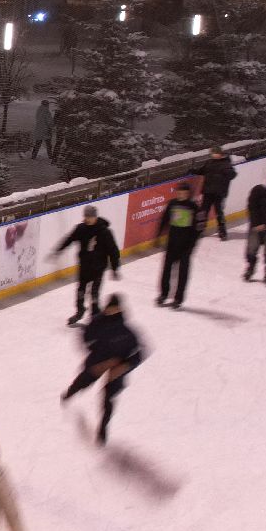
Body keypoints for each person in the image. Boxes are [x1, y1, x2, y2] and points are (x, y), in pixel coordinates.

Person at [62, 294, 146, 445]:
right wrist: (98, 358)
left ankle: (103, 427)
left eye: (114, 309)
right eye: (109, 308)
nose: (111, 311)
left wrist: (123, 366)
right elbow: (86, 338)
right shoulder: (97, 322)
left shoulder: (126, 330)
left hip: (117, 368)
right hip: (98, 362)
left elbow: (139, 353)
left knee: (108, 399)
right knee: (83, 381)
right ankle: (71, 391)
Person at [55, 205, 121, 325]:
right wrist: (59, 249)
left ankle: (95, 315)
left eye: (90, 217)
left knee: (94, 292)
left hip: (98, 267)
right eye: (86, 216)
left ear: (95, 217)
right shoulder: (81, 228)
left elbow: (113, 250)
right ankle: (80, 310)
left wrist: (115, 268)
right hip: (84, 266)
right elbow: (70, 239)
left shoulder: (105, 232)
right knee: (80, 290)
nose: (88, 219)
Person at [156, 182, 202, 308]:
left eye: (183, 193)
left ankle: (178, 298)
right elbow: (164, 219)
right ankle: (163, 294)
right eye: (179, 192)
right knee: (166, 270)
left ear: (188, 193)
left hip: (186, 246)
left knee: (182, 273)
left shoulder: (193, 207)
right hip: (172, 243)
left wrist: (192, 244)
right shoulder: (172, 204)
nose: (181, 195)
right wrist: (158, 235)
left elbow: (199, 228)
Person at [191, 146, 238, 241]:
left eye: (216, 153)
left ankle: (222, 232)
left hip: (219, 193)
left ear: (220, 154)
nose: (214, 155)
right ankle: (200, 230)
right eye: (212, 153)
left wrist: (228, 173)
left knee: (219, 212)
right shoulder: (209, 162)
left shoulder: (225, 163)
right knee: (203, 212)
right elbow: (202, 171)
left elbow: (233, 174)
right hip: (208, 191)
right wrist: (193, 171)